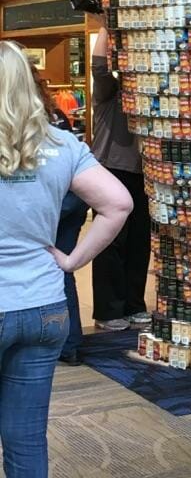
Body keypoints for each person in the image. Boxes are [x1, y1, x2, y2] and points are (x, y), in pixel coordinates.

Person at [0, 40, 133, 478]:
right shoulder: (61, 144)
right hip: (44, 307)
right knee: (26, 440)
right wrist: (73, 261)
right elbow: (118, 204)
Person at [91, 19, 151, 331]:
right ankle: (108, 309)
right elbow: (99, 68)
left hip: (144, 172)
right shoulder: (108, 93)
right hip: (108, 171)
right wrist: (104, 24)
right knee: (111, 241)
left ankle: (133, 304)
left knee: (139, 242)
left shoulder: (148, 96)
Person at [31, 66, 88, 366]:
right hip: (74, 199)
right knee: (63, 268)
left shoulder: (23, 121)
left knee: (41, 266)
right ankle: (71, 343)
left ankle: (50, 339)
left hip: (50, 201)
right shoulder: (60, 118)